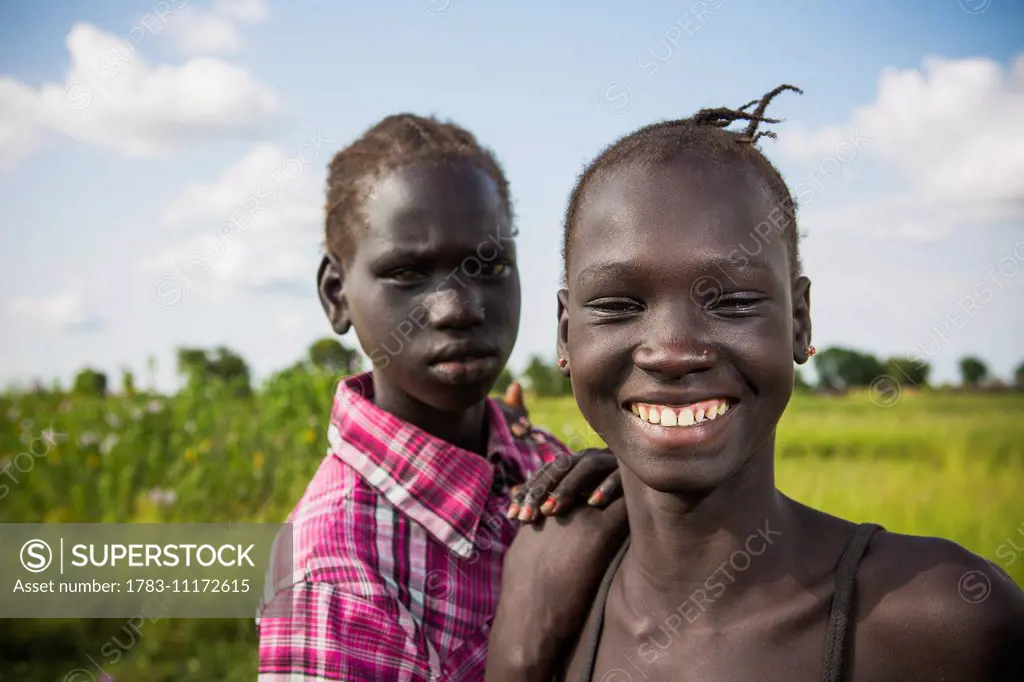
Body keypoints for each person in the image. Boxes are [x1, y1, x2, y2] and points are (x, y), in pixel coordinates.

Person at [486, 85, 1024, 681]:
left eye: (734, 302)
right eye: (617, 305)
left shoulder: (938, 620)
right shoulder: (548, 592)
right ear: (566, 334)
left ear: (799, 321)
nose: (673, 352)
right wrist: (518, 647)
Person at [254, 113, 623, 681]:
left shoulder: (542, 462)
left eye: (490, 264)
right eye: (407, 272)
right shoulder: (332, 574)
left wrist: (630, 499)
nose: (458, 308)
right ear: (336, 294)